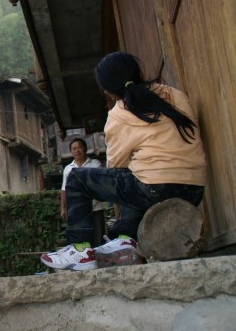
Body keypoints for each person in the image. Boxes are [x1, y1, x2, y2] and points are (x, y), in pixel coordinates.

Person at [41, 51, 207, 271]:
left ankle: (80, 249)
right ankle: (125, 240)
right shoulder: (174, 94)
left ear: (109, 92)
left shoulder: (119, 114)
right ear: (138, 73)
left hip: (157, 187)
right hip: (195, 188)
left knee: (78, 178)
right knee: (135, 176)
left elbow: (116, 164)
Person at [60, 138, 102, 221]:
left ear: (85, 149)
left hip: (95, 209)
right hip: (76, 209)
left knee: (98, 233)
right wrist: (63, 208)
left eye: (79, 148)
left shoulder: (95, 164)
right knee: (81, 233)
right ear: (71, 152)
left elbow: (98, 184)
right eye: (74, 149)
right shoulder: (68, 169)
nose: (77, 151)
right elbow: (64, 189)